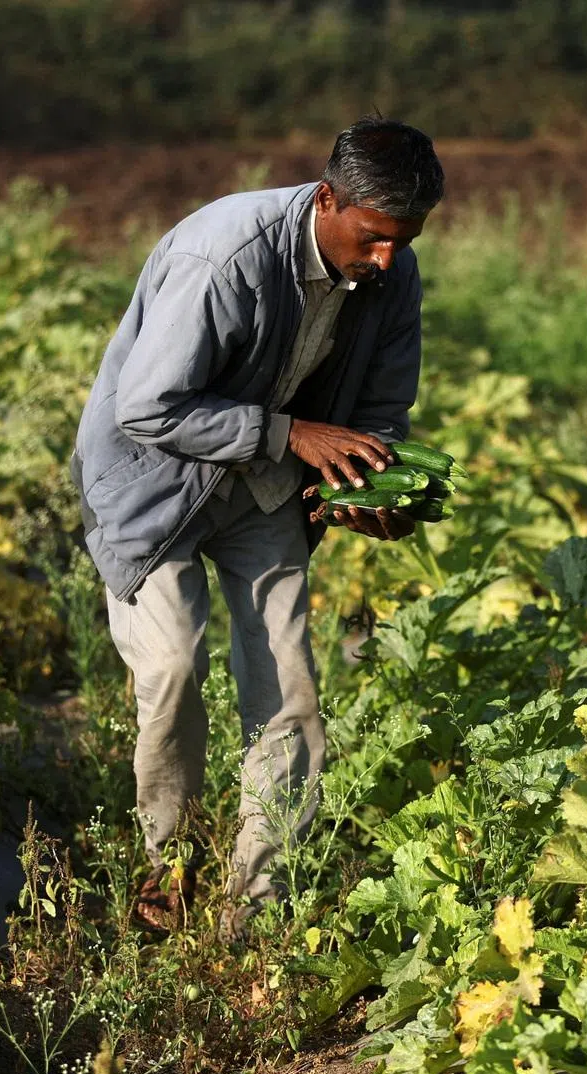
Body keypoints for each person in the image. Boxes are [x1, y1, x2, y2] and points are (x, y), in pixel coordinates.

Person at [70, 116, 444, 937]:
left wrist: (368, 489)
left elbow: (383, 411)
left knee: (289, 693)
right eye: (376, 238)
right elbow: (148, 406)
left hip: (263, 491)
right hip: (153, 486)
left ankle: (259, 901)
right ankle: (168, 863)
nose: (388, 260)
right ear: (327, 200)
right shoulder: (226, 257)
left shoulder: (394, 271)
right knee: (171, 671)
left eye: (406, 241)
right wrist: (288, 434)